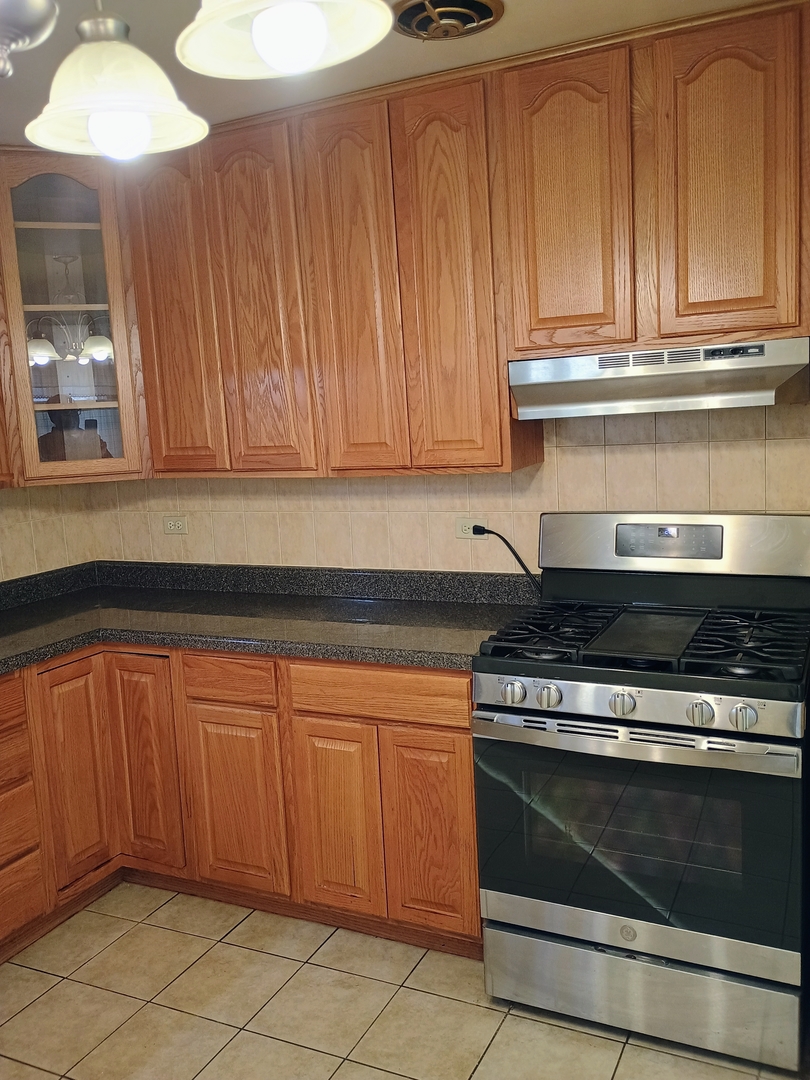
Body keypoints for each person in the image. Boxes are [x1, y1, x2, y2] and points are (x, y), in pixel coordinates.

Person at [37, 399, 112, 462]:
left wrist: (102, 453)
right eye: (66, 412)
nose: (73, 415)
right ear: (53, 418)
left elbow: (111, 465)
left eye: (75, 410)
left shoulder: (90, 438)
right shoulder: (43, 443)